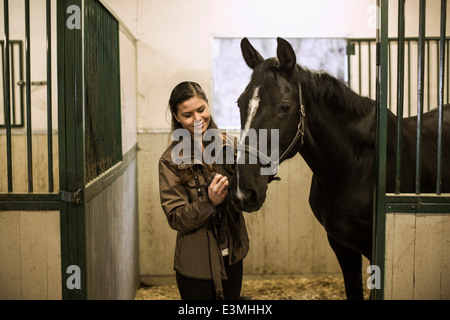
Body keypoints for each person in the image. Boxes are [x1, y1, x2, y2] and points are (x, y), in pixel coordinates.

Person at [158, 81, 249, 300]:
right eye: (188, 115)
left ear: (208, 105)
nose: (198, 119)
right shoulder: (169, 161)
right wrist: (209, 202)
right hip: (195, 268)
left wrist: (255, 179)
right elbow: (176, 218)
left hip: (233, 258)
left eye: (201, 110)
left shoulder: (230, 145)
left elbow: (244, 198)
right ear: (176, 116)